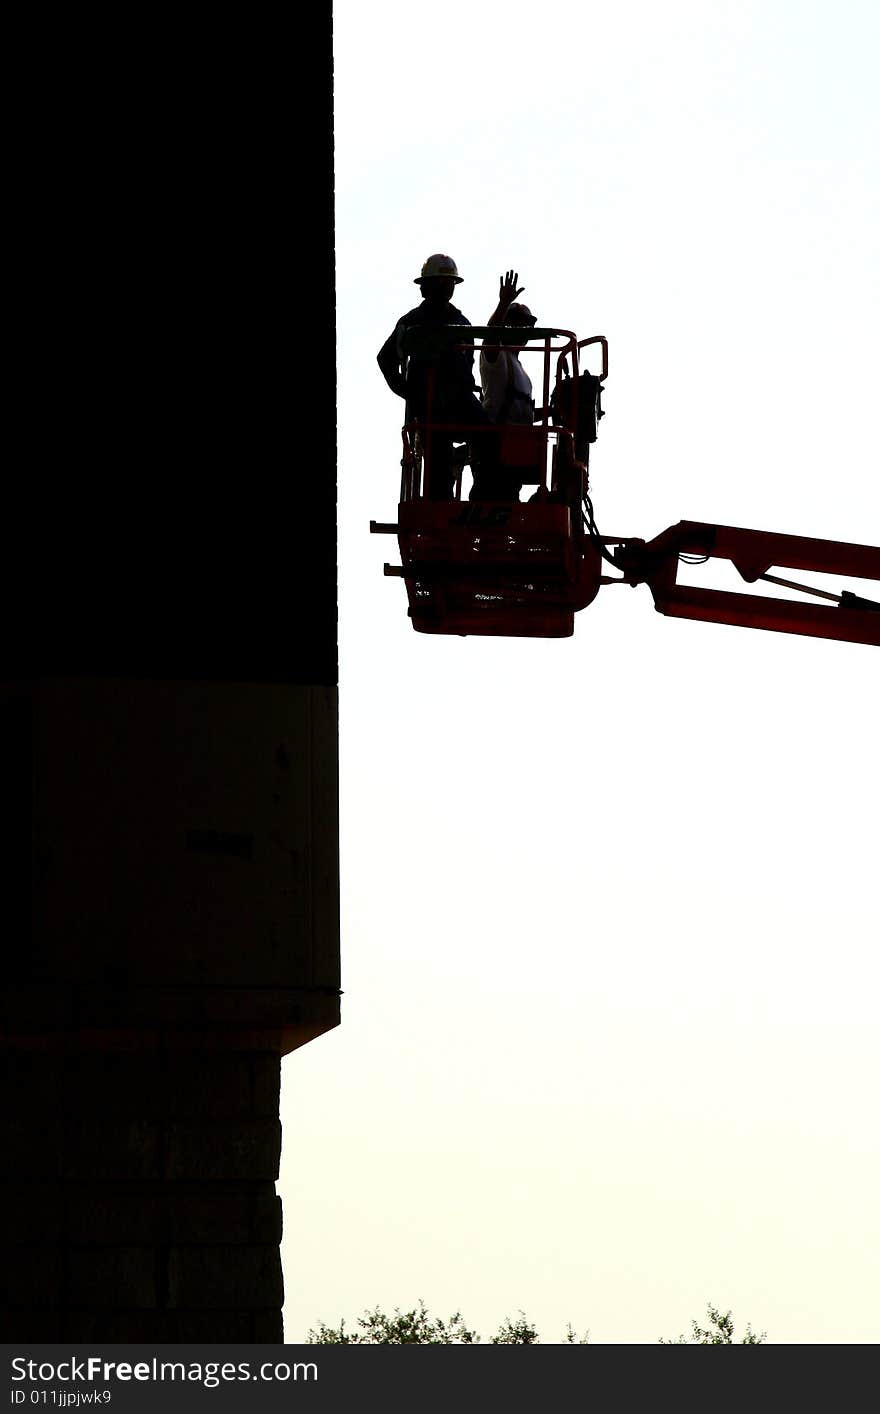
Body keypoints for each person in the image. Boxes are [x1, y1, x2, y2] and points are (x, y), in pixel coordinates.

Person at [377, 254, 493, 500]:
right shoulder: (412, 323)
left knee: (489, 436)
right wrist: (409, 392)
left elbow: (467, 366)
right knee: (437, 469)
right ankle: (443, 503)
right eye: (441, 282)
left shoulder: (462, 323)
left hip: (460, 400)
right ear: (426, 287)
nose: (446, 288)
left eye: (449, 283)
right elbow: (385, 358)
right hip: (430, 406)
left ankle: (484, 495)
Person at [473, 271, 539, 500]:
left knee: (509, 499)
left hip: (514, 451)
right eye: (515, 324)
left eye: (525, 326)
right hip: (494, 449)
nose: (521, 330)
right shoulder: (497, 357)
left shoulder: (520, 369)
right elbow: (490, 336)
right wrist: (503, 304)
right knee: (489, 501)